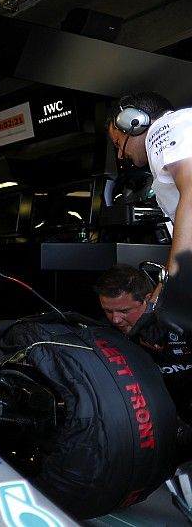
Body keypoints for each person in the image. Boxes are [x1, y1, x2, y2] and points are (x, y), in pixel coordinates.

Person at [106, 92, 192, 281]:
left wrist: (173, 281)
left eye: (118, 143)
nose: (120, 154)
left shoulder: (167, 128)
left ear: (134, 122)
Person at [94, 264, 192, 421]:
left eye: (124, 311)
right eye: (108, 311)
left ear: (148, 300)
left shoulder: (182, 321)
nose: (116, 319)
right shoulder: (101, 334)